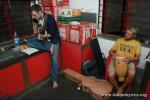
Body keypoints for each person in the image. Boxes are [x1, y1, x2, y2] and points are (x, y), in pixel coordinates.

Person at [28, 4, 60, 88]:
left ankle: (55, 80)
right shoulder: (36, 19)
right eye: (32, 15)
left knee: (54, 61)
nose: (33, 17)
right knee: (29, 42)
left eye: (34, 15)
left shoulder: (50, 19)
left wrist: (43, 38)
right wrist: (35, 28)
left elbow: (53, 34)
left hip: (54, 41)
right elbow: (36, 33)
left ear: (40, 12)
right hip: (44, 41)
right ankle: (48, 47)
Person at [108, 27, 141, 94]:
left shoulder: (137, 44)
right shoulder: (119, 40)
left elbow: (137, 57)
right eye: (126, 33)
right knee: (111, 75)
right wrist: (113, 54)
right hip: (116, 60)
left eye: (129, 34)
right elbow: (110, 51)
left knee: (132, 74)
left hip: (128, 61)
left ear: (133, 36)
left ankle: (122, 87)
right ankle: (118, 88)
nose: (126, 35)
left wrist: (130, 59)